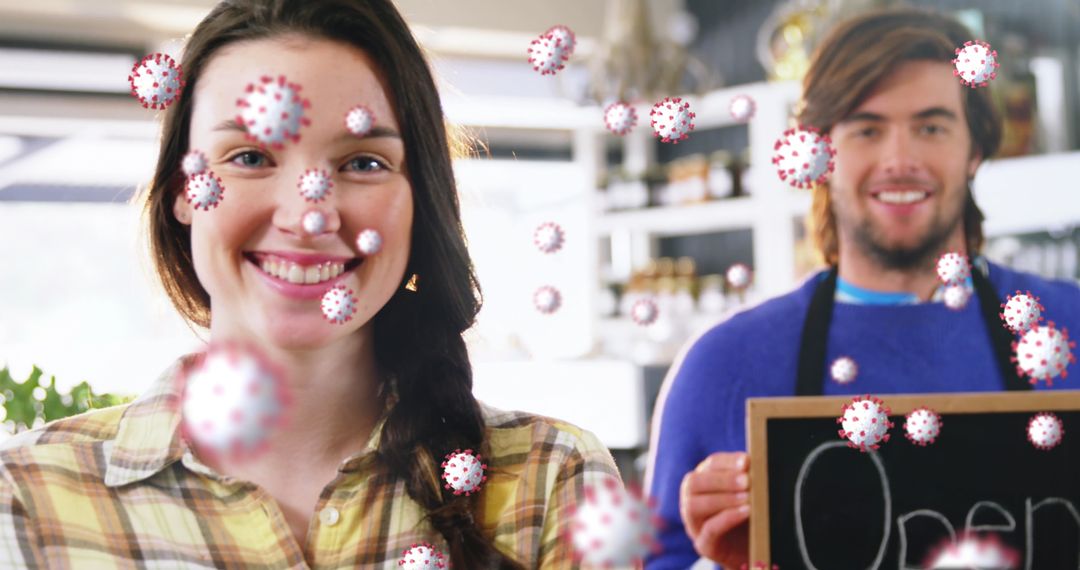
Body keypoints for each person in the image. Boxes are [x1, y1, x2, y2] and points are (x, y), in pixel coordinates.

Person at [0, 1, 620, 568]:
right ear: (181, 195)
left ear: (419, 202)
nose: (308, 216)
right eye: (249, 157)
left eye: (362, 163)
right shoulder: (27, 499)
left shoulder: (552, 481)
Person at [644, 7, 1080, 569]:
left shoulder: (1067, 327)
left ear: (974, 150)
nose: (900, 160)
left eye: (931, 126)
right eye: (867, 128)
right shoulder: (722, 366)